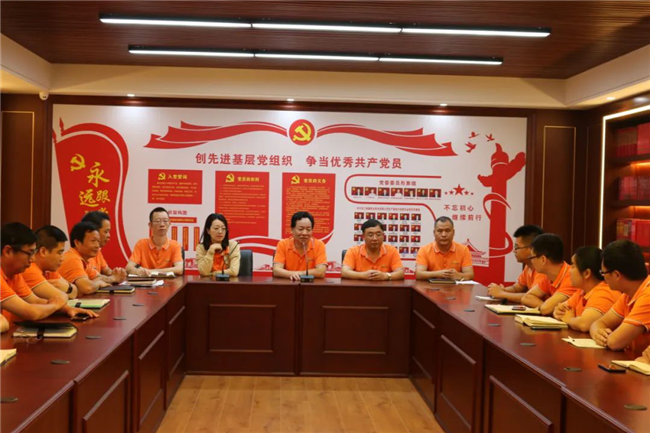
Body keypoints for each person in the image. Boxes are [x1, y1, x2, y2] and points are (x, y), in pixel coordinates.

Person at [1, 222, 97, 326]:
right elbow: (30, 312)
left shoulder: (15, 274)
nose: (32, 259)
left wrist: (66, 309)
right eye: (29, 253)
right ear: (8, 251)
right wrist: (55, 306)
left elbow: (35, 301)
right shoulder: (26, 270)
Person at [590, 240, 650, 350]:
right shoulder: (628, 294)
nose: (603, 277)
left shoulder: (648, 296)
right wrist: (597, 333)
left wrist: (604, 337)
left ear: (617, 275)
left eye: (603, 273)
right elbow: (598, 323)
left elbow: (615, 342)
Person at [553, 246, 621, 332]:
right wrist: (558, 311)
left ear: (586, 273)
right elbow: (561, 310)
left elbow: (584, 324)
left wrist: (569, 319)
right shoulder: (582, 291)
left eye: (573, 266)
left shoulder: (605, 292)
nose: (569, 271)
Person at [521, 233, 578, 315]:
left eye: (531, 257)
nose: (531, 261)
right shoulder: (549, 277)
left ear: (543, 259)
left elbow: (546, 309)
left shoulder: (571, 277)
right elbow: (526, 298)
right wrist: (545, 306)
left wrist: (547, 307)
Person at [487, 225, 546, 302]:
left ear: (531, 249)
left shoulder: (542, 269)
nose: (514, 251)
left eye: (517, 247)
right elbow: (516, 288)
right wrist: (501, 290)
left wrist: (501, 294)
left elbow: (531, 297)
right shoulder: (528, 266)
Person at [23, 225, 79, 299]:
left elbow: (75, 292)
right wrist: (67, 289)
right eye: (59, 252)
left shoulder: (49, 270)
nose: (62, 258)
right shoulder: (29, 269)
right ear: (43, 251)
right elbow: (61, 298)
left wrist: (67, 287)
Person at [126, 207, 184, 276]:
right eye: (157, 221)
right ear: (150, 225)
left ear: (169, 223)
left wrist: (151, 271)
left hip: (168, 282)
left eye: (165, 221)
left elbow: (179, 269)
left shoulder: (175, 245)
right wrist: (137, 271)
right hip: (146, 282)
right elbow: (128, 268)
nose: (162, 224)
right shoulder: (141, 244)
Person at [58, 222, 112, 296]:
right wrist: (98, 283)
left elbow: (99, 277)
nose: (97, 245)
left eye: (98, 241)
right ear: (77, 243)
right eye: (93, 241)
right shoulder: (73, 258)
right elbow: (88, 288)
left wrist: (93, 283)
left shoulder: (84, 259)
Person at [415, 216, 474, 281]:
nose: (444, 235)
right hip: (431, 287)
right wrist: (439, 274)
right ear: (434, 233)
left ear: (453, 232)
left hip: (455, 287)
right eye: (440, 231)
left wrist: (459, 275)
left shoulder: (463, 250)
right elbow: (419, 274)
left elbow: (470, 274)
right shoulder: (424, 250)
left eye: (447, 230)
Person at [273, 211, 327, 281]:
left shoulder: (319, 245)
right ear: (292, 230)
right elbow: (276, 270)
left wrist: (299, 273)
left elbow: (321, 272)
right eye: (300, 229)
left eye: (308, 229)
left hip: (311, 285)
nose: (304, 233)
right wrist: (293, 274)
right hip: (289, 284)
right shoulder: (283, 244)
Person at [82, 211, 127, 283]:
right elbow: (90, 283)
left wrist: (118, 273)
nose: (109, 236)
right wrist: (114, 278)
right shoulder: (82, 256)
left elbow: (107, 271)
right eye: (106, 232)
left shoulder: (97, 251)